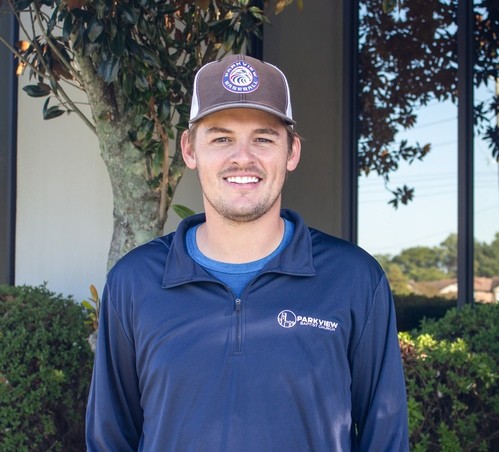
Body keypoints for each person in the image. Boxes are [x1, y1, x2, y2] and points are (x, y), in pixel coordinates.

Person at [86, 54, 409, 451]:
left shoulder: (354, 279)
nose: (243, 157)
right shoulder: (134, 283)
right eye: (221, 138)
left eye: (263, 139)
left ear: (292, 152)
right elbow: (109, 439)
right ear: (189, 150)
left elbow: (385, 439)